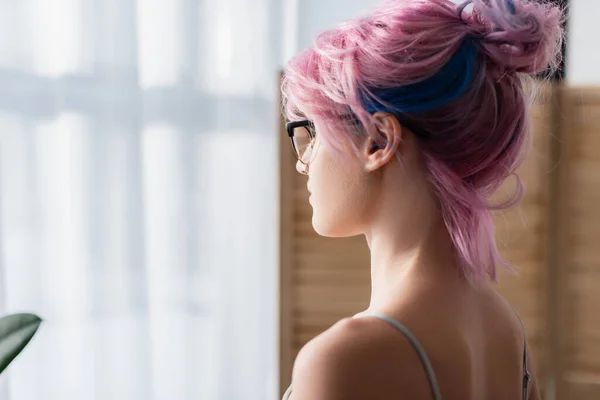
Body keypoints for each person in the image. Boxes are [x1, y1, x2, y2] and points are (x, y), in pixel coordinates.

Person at [280, 0, 563, 398]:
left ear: (379, 141)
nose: (303, 164)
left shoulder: (345, 361)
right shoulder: (504, 330)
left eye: (313, 133)